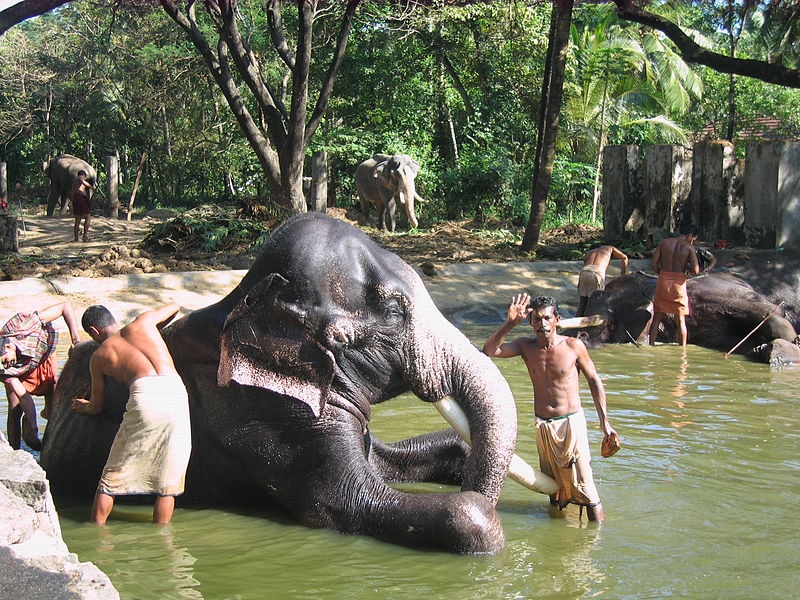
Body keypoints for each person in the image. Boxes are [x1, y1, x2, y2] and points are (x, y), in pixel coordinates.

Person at [482, 293, 617, 521]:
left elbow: (594, 380)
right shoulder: (526, 347)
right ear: (530, 322)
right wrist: (510, 324)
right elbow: (489, 351)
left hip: (571, 425)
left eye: (546, 318)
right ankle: (559, 540)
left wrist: (605, 422)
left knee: (587, 488)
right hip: (543, 427)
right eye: (536, 319)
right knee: (555, 491)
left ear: (557, 319)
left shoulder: (573, 346)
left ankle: (596, 542)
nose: (542, 324)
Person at [72, 303, 191, 525]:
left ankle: (95, 528)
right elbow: (175, 306)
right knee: (168, 481)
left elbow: (96, 406)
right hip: (176, 392)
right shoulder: (145, 321)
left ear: (94, 331)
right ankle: (162, 536)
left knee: (110, 479)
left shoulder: (99, 356)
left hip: (144, 395)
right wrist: (156, 328)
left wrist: (82, 405)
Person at [1, 302, 82, 450]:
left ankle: (52, 448)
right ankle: (16, 451)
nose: (6, 366)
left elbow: (65, 306)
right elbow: (23, 396)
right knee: (15, 408)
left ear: (7, 347)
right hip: (21, 367)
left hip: (42, 353)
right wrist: (33, 426)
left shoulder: (23, 327)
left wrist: (75, 340)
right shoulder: (5, 368)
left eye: (5, 361)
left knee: (53, 408)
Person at [648, 224, 701, 346]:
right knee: (681, 319)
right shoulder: (689, 247)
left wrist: (662, 274)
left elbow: (654, 264)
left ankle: (651, 345)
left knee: (657, 317)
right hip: (679, 283)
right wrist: (686, 275)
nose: (692, 242)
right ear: (689, 236)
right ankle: (682, 351)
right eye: (693, 239)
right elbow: (696, 270)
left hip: (663, 281)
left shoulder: (664, 243)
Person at [576, 245, 629, 317]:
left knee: (582, 305)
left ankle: (575, 326)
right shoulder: (610, 248)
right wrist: (623, 276)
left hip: (584, 271)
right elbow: (624, 258)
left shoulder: (588, 253)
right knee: (596, 305)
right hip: (597, 272)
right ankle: (592, 326)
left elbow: (586, 262)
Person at [70, 170, 95, 242]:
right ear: (83, 175)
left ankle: (76, 238)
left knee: (77, 220)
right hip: (81, 199)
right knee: (87, 217)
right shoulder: (79, 178)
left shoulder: (75, 183)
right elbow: (82, 181)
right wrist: (92, 188)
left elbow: (73, 193)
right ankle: (85, 236)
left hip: (76, 200)